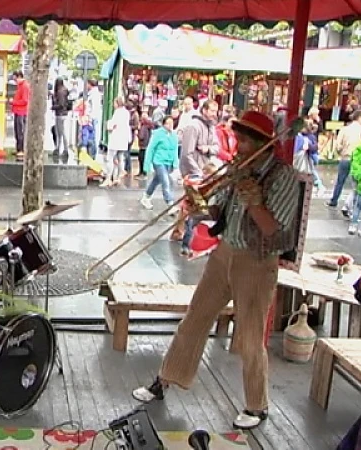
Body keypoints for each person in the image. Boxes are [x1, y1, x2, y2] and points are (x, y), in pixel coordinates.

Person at [131, 111, 299, 430]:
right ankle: (165, 380)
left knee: (249, 335)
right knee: (194, 319)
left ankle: (257, 405)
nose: (238, 146)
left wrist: (254, 199)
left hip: (256, 262)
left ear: (263, 144)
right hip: (224, 254)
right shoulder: (237, 168)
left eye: (245, 141)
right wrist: (200, 208)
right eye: (238, 139)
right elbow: (220, 211)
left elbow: (273, 229)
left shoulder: (283, 177)